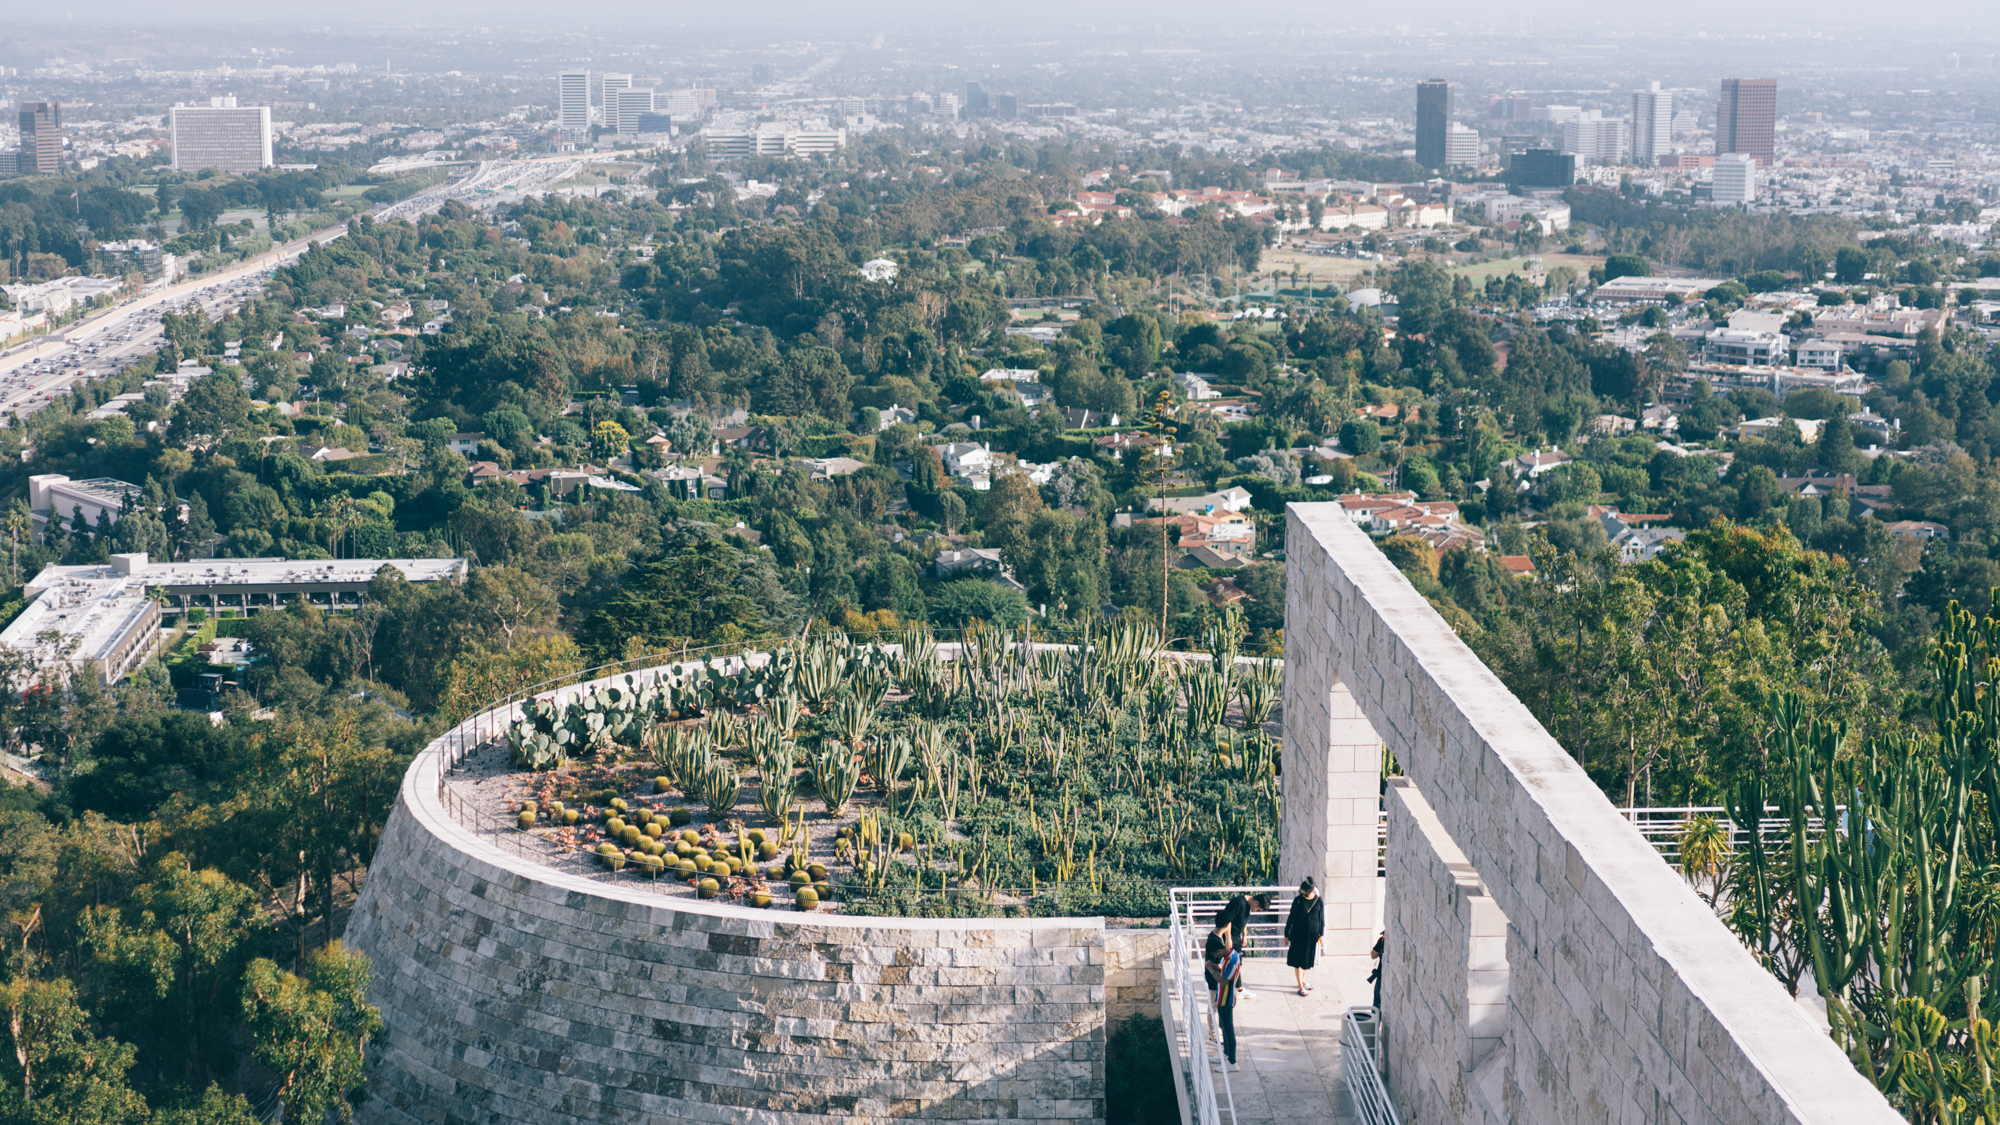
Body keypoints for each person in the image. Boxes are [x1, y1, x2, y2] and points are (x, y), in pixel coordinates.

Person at [1216, 892, 1273, 999]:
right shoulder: (1239, 903)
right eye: (1258, 909)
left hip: (1237, 936)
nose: (1256, 911)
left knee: (1237, 962)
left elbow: (1244, 920)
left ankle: (1235, 987)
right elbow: (1227, 920)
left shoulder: (1248, 905)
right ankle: (1238, 989)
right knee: (1234, 962)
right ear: (1256, 902)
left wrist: (1245, 935)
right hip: (1231, 936)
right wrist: (1228, 938)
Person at [1204, 914, 1241, 1072]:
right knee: (1222, 1026)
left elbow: (1225, 981)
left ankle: (1232, 1062)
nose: (1216, 958)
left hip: (1227, 999)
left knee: (1228, 1028)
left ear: (1219, 950)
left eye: (1216, 955)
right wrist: (1216, 968)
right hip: (1221, 998)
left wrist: (1211, 969)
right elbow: (1224, 973)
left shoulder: (1232, 959)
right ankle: (1225, 1055)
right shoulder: (1227, 957)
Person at [1282, 878, 1325, 996]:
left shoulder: (1318, 900)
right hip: (1298, 934)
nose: (1300, 893)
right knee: (1299, 960)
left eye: (1302, 891)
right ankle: (1300, 986)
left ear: (1309, 890)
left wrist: (1321, 934)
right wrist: (1286, 934)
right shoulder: (1298, 901)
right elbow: (1291, 918)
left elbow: (1321, 919)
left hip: (1312, 935)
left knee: (1307, 959)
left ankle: (1303, 980)